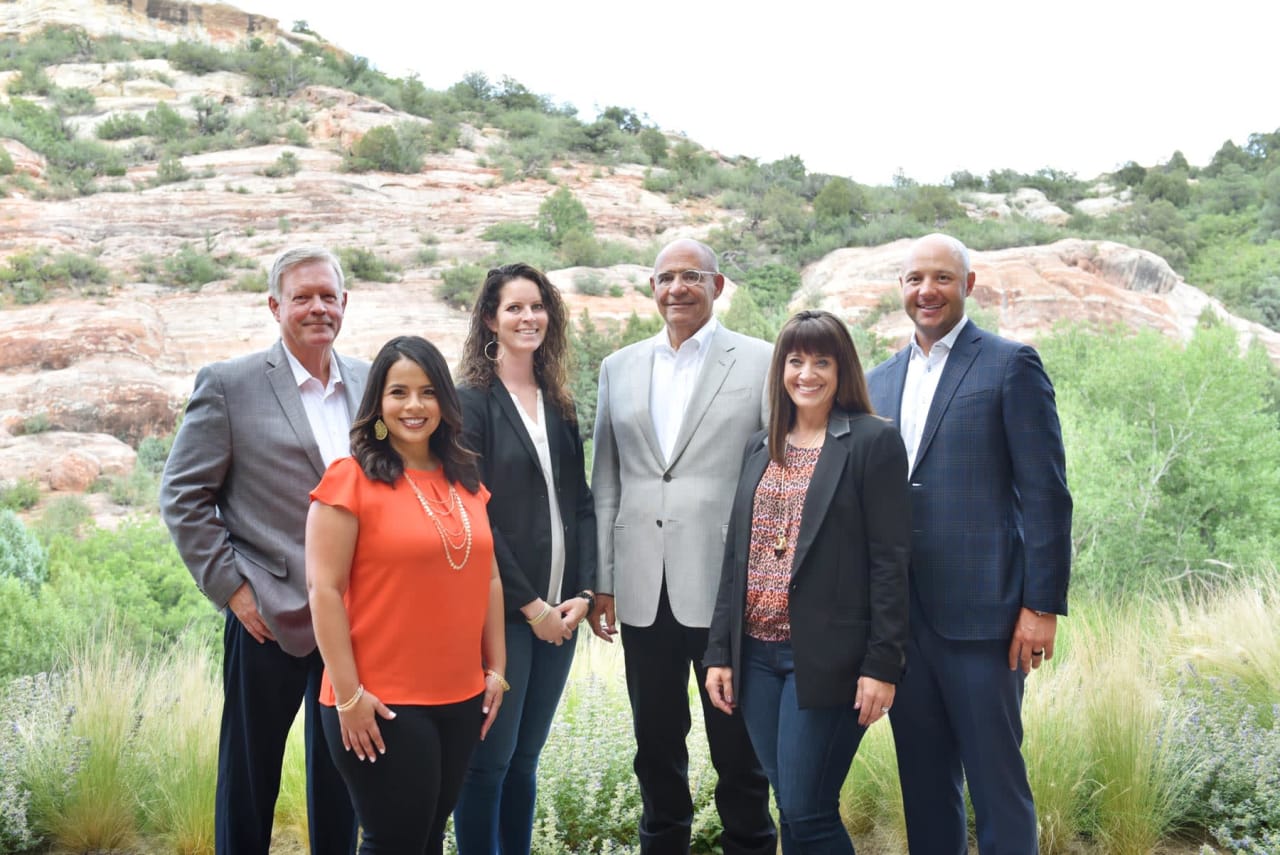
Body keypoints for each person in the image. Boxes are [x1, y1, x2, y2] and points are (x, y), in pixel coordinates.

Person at [865, 233, 1073, 855]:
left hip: (988, 620)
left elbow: (1046, 494)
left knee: (997, 786)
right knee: (925, 789)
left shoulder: (1011, 364)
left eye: (942, 278)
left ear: (968, 285)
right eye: (914, 279)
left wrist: (1041, 606)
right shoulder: (878, 381)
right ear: (901, 288)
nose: (927, 291)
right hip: (903, 625)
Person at [160, 245, 362, 855]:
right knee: (249, 782)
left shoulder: (371, 381)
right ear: (276, 306)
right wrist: (233, 590)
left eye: (328, 296)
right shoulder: (229, 385)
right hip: (266, 616)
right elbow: (182, 496)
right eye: (302, 297)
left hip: (354, 618)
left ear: (345, 303)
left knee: (345, 778)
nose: (317, 308)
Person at [590, 238, 777, 855]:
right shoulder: (618, 367)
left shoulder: (761, 360)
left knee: (738, 750)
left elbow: (779, 472)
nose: (677, 288)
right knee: (655, 747)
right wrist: (604, 580)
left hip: (728, 588)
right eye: (666, 277)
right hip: (642, 588)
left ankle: (750, 844)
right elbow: (607, 480)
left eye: (691, 276)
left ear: (716, 286)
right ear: (652, 288)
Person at [704, 310, 911, 855]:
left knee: (807, 810)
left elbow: (891, 562)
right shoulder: (760, 446)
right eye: (795, 361)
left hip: (826, 660)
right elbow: (736, 557)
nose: (807, 374)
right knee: (792, 807)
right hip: (756, 658)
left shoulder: (872, 441)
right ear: (781, 370)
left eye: (822, 362)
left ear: (842, 370)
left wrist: (882, 665)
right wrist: (720, 653)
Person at [306, 335, 507, 854]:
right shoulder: (348, 480)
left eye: (427, 392)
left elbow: (488, 578)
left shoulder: (465, 481)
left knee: (428, 840)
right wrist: (349, 696)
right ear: (378, 403)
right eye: (399, 392)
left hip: (460, 697)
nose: (414, 406)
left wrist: (497, 668)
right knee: (394, 842)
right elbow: (322, 590)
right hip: (381, 701)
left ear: (445, 401)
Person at [451, 263, 597, 855]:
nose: (528, 317)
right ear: (491, 319)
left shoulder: (559, 403)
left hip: (562, 614)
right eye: (514, 307)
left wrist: (583, 594)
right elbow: (475, 518)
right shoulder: (471, 403)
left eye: (537, 306)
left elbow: (580, 504)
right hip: (505, 616)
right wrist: (531, 605)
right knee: (488, 763)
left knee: (525, 760)